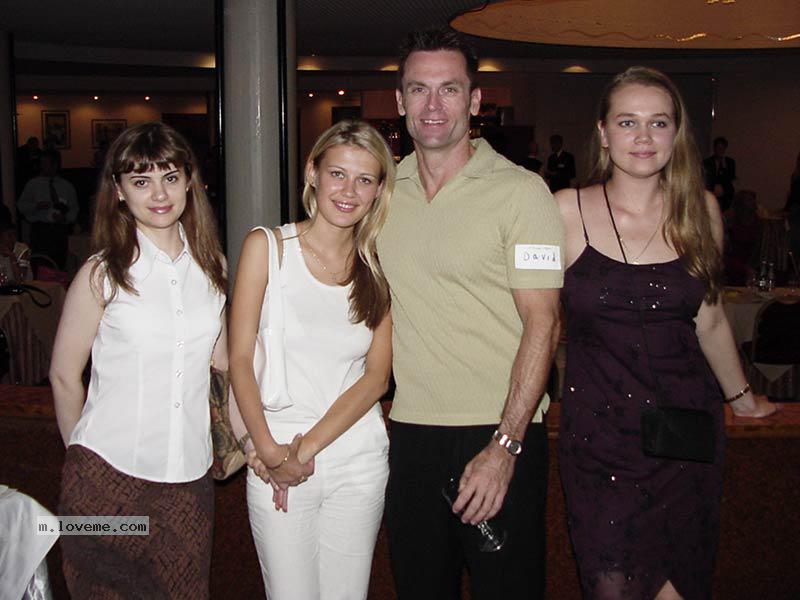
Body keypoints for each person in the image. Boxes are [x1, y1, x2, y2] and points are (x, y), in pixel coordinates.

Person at [554, 66, 776, 600]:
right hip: (600, 441)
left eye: (659, 122)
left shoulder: (701, 210)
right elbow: (537, 321)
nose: (643, 136)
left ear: (677, 134)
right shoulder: (565, 210)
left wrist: (742, 399)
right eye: (627, 122)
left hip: (685, 437)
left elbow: (711, 317)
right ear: (603, 133)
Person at [378, 27, 563, 599]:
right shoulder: (380, 194)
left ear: (475, 101)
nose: (433, 105)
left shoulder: (522, 192)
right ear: (400, 101)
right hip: (411, 434)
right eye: (419, 89)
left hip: (499, 431)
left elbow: (544, 323)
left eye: (450, 89)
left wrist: (505, 447)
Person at [50, 122, 227, 598]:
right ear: (119, 190)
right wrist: (80, 460)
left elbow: (225, 366)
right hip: (104, 478)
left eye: (170, 177)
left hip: (188, 481)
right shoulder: (102, 273)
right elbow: (64, 376)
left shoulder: (213, 270)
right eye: (141, 181)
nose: (159, 194)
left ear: (190, 181)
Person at [229, 119, 395, 600]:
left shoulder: (378, 263)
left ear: (378, 190)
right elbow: (239, 359)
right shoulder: (267, 248)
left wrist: (303, 452)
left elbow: (376, 379)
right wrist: (269, 451)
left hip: (356, 459)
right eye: (337, 174)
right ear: (312, 174)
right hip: (275, 452)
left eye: (364, 179)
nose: (348, 191)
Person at [16, 148, 79, 268]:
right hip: (40, 230)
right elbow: (21, 205)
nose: (43, 167)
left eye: (46, 164)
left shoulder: (66, 186)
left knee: (59, 264)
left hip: (59, 230)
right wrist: (36, 206)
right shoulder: (32, 184)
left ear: (55, 165)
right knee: (40, 264)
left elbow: (74, 208)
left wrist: (64, 218)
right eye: (42, 163)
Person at [703, 136, 736, 212]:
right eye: (719, 148)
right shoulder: (707, 162)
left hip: (725, 195)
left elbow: (731, 177)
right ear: (714, 148)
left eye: (723, 149)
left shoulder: (730, 162)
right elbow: (706, 178)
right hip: (711, 192)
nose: (721, 151)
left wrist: (724, 167)